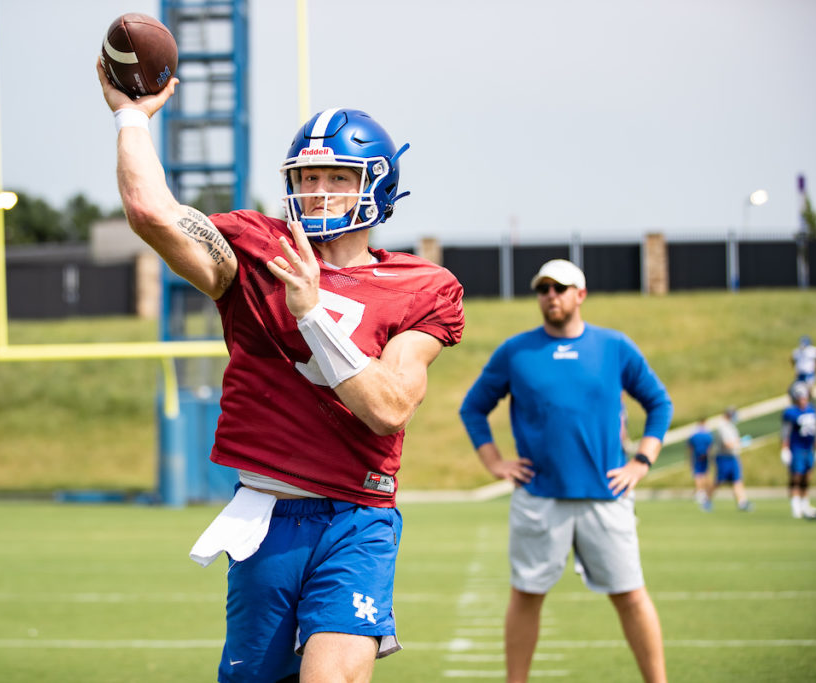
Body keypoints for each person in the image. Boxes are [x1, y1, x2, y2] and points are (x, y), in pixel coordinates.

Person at [97, 64, 465, 682]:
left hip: (357, 516)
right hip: (267, 514)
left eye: (337, 177)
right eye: (308, 176)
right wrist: (131, 116)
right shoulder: (253, 251)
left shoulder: (421, 286)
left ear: (376, 187)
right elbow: (151, 213)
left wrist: (314, 314)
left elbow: (390, 407)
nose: (318, 191)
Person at [459, 259, 673, 683]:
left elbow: (659, 404)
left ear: (581, 294)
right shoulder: (516, 351)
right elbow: (474, 407)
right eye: (543, 289)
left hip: (606, 496)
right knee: (526, 596)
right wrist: (494, 463)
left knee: (630, 595)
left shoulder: (614, 347)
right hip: (539, 499)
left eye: (561, 287)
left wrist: (641, 462)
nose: (551, 295)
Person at [781, 381, 816, 519]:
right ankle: (795, 505)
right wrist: (784, 448)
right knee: (796, 477)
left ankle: (805, 504)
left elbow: (815, 431)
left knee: (807, 476)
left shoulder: (812, 409)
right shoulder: (790, 412)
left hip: (808, 448)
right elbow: (785, 432)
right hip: (796, 449)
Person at [707, 407, 755, 512]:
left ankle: (742, 502)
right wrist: (742, 443)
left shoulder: (731, 426)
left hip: (733, 456)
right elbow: (727, 444)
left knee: (737, 480)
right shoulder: (722, 426)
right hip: (723, 457)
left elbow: (734, 441)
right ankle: (707, 500)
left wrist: (740, 442)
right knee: (719, 481)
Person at [686, 419, 713, 508]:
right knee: (704, 474)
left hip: (696, 456)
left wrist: (689, 459)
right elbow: (710, 447)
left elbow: (690, 447)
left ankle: (700, 492)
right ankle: (703, 492)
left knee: (698, 474)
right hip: (705, 456)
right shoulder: (708, 435)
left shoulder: (694, 435)